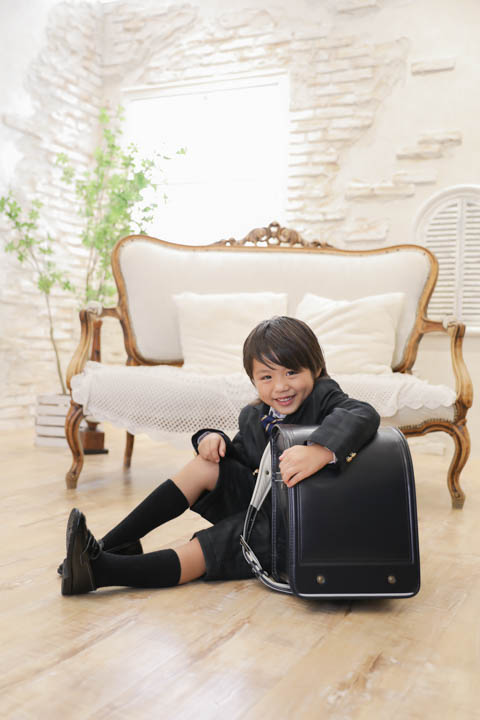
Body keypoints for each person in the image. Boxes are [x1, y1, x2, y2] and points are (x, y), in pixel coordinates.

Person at [60, 316, 380, 596]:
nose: (281, 386)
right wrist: (211, 440)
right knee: (206, 465)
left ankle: (100, 572)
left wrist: (319, 450)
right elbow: (240, 458)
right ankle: (111, 545)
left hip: (294, 526)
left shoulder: (324, 397)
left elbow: (363, 413)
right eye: (267, 377)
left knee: (206, 548)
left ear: (316, 369)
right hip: (261, 505)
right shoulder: (254, 416)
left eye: (292, 372)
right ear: (253, 380)